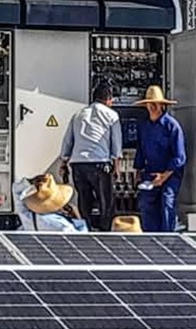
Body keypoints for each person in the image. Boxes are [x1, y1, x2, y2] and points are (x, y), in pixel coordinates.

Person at [59, 81, 122, 232]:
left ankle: (85, 230)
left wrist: (64, 162)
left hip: (78, 164)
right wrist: (117, 166)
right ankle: (106, 233)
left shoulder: (78, 114)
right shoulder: (112, 115)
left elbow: (68, 140)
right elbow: (116, 143)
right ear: (108, 99)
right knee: (106, 203)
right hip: (100, 164)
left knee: (84, 201)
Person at [133, 85, 187, 232]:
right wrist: (137, 171)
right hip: (150, 172)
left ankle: (167, 237)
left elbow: (180, 157)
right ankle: (151, 237)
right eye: (150, 104)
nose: (152, 107)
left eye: (155, 104)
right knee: (145, 203)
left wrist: (164, 176)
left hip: (170, 174)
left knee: (167, 201)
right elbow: (141, 150)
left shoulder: (172, 126)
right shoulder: (143, 126)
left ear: (162, 105)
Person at [13, 173, 87, 232]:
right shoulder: (61, 224)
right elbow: (81, 238)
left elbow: (16, 192)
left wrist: (29, 182)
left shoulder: (29, 217)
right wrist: (77, 217)